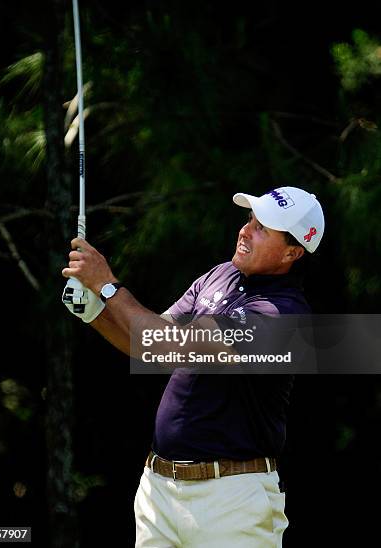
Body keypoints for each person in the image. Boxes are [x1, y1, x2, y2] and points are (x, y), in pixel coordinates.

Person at [62, 185, 325, 548]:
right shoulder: (220, 275)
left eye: (263, 228)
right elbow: (152, 345)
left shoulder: (282, 314)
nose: (245, 231)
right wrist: (93, 311)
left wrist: (107, 285)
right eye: (250, 220)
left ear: (293, 252)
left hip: (232, 502)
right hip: (160, 492)